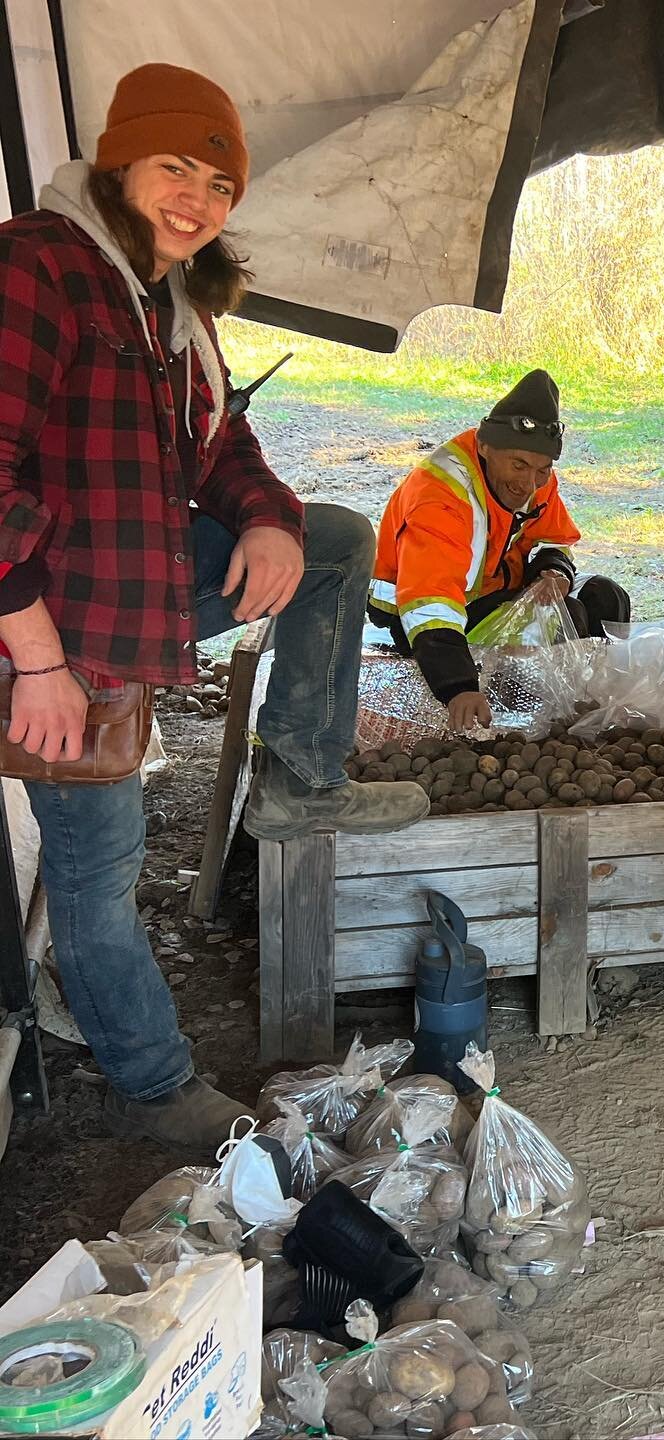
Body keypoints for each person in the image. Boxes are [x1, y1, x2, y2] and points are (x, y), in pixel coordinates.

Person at [0, 64, 431, 1152]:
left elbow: (223, 444)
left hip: (138, 586)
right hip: (54, 623)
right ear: (118, 164)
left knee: (328, 536)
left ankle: (298, 772)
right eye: (174, 169)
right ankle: (156, 1088)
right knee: (101, 869)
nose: (196, 197)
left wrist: (265, 519)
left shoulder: (170, 300)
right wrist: (39, 663)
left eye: (219, 183)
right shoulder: (40, 266)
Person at [367, 369, 631, 728]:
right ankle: (533, 720)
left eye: (542, 469)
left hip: (494, 593)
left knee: (607, 597)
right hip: (424, 621)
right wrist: (457, 686)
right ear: (484, 446)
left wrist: (553, 571)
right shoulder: (442, 496)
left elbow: (554, 538)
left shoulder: (535, 480)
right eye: (519, 465)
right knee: (560, 618)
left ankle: (584, 706)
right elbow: (429, 601)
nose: (528, 483)